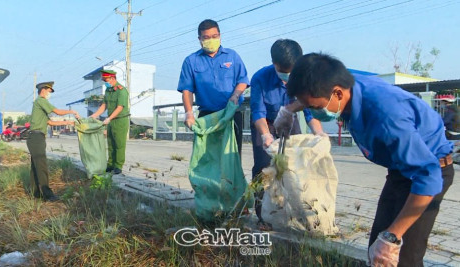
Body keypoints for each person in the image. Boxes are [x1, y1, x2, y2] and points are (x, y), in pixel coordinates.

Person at [276, 53, 454, 266]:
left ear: (337, 93)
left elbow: (429, 177)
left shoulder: (387, 117)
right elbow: (314, 91)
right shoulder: (342, 80)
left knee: (401, 256)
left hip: (428, 173)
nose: (314, 113)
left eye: (314, 107)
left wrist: (392, 237)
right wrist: (289, 110)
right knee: (376, 252)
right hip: (400, 170)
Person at [250, 39, 324, 225]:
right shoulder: (260, 78)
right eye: (284, 70)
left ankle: (296, 213)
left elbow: (309, 109)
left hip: (290, 122)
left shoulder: (303, 77)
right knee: (263, 167)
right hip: (266, 123)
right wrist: (266, 135)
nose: (288, 75)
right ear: (274, 63)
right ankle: (263, 216)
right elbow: (258, 112)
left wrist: (318, 131)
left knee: (294, 166)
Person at [177, 19, 249, 155]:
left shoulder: (232, 56)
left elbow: (242, 80)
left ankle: (230, 177)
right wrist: (188, 113)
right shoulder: (191, 61)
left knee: (232, 155)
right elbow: (187, 90)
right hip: (207, 116)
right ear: (199, 39)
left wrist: (235, 95)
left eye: (214, 36)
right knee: (208, 157)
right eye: (206, 37)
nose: (211, 40)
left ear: (220, 36)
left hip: (231, 114)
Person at [27, 82, 80, 202]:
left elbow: (50, 122)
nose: (50, 94)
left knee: (36, 166)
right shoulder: (41, 100)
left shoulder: (40, 105)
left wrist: (68, 123)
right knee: (41, 165)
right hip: (36, 137)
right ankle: (48, 195)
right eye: (49, 91)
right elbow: (57, 111)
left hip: (36, 137)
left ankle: (35, 193)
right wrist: (72, 112)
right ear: (43, 90)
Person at [90, 70, 130, 175]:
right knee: (110, 143)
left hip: (120, 120)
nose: (105, 82)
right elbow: (104, 105)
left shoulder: (121, 91)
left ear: (112, 78)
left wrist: (109, 118)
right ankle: (110, 164)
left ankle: (118, 165)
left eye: (106, 80)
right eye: (104, 80)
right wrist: (95, 115)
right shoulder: (108, 90)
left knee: (119, 144)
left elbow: (120, 107)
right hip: (111, 121)